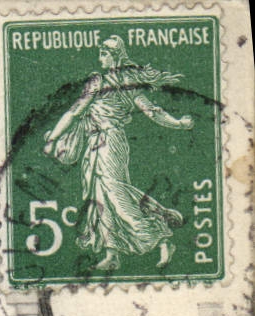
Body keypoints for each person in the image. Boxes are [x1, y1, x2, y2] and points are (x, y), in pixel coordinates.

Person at [42, 36, 196, 272]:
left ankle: (162, 239)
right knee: (101, 196)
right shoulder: (127, 84)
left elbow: (74, 113)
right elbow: (152, 112)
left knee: (116, 196)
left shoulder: (102, 82)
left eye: (103, 53)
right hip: (96, 144)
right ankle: (112, 253)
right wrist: (179, 123)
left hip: (109, 143)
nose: (100, 58)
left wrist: (179, 124)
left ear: (114, 56)